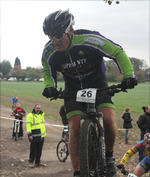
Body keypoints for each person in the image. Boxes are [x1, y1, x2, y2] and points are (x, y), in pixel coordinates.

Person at [42, 9, 137, 177]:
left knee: (108, 120)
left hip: (97, 83)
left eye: (58, 35)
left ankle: (108, 156)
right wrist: (50, 86)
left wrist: (129, 75)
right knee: (75, 127)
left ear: (70, 31)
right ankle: (77, 171)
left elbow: (117, 52)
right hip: (73, 88)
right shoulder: (49, 51)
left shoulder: (90, 39)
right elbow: (48, 70)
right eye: (51, 36)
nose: (55, 41)